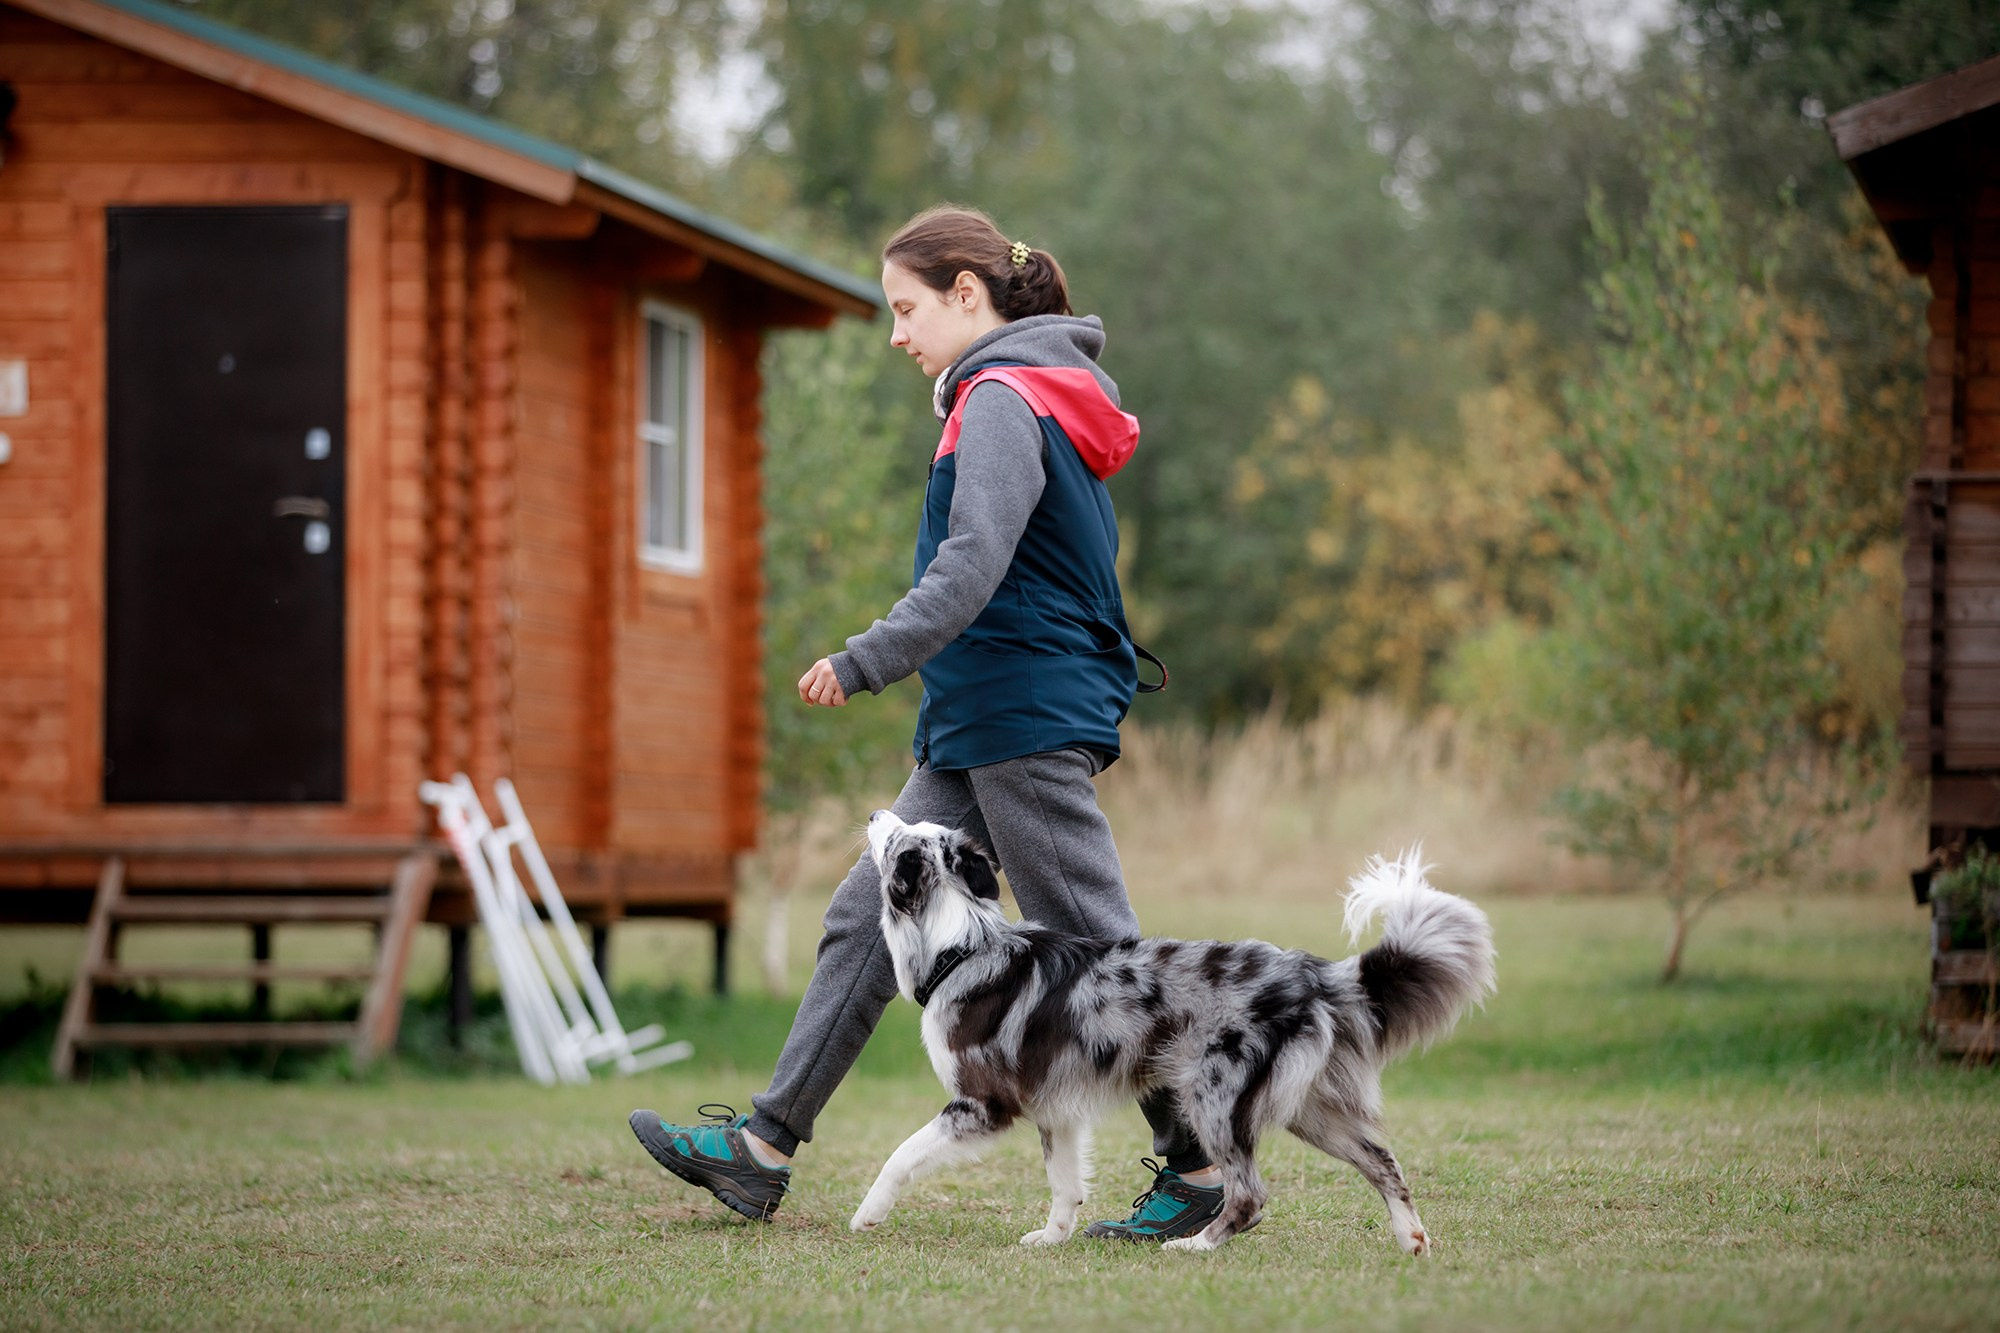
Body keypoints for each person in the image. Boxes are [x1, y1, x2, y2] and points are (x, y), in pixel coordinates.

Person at [629, 205, 1222, 1241]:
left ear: (966, 293)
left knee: (1102, 955)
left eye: (905, 308)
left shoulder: (999, 397)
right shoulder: (1021, 392)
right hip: (983, 712)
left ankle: (1199, 1167)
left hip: (1021, 714)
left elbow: (972, 561)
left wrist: (864, 658)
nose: (897, 333)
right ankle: (763, 1147)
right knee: (865, 919)